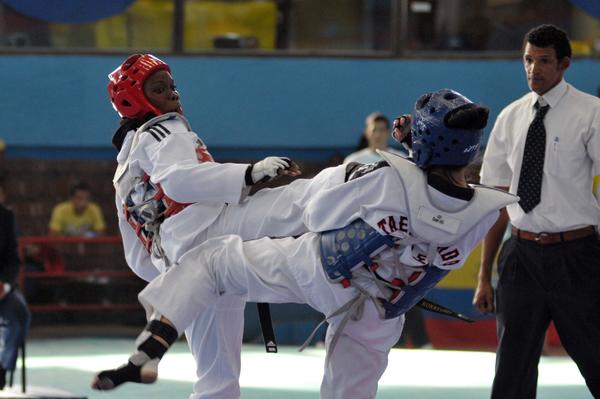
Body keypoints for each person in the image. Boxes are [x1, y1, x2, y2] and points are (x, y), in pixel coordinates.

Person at [93, 88, 518, 398]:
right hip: (381, 310)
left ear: (422, 139)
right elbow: (436, 204)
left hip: (319, 268)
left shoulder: (385, 177)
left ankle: (153, 344)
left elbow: (318, 214)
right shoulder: (483, 210)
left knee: (214, 258)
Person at [103, 54, 349, 399]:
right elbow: (179, 181)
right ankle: (366, 191)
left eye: (172, 85)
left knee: (216, 375)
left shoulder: (124, 165)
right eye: (159, 89)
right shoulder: (163, 128)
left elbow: (134, 244)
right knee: (298, 198)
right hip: (206, 225)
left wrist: (169, 270)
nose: (173, 94)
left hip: (184, 256)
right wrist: (250, 173)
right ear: (137, 101)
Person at [472, 24, 600, 398]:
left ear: (563, 64)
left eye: (543, 61)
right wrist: (484, 274)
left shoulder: (591, 113)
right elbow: (497, 200)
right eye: (528, 60)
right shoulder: (510, 118)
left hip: (578, 257)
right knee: (511, 371)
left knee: (595, 357)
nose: (534, 69)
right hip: (520, 256)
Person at [0, 201, 30, 390]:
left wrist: (5, 285)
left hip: (2, 287)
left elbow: (13, 260)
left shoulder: (5, 216)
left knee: (19, 313)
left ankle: (2, 367)